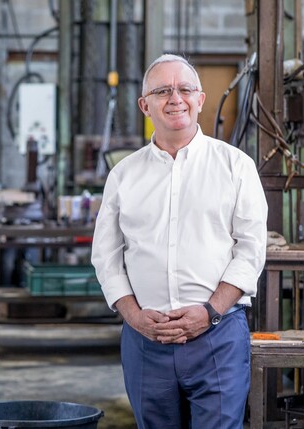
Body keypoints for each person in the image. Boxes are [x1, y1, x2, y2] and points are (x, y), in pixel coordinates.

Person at [91, 54, 267, 428]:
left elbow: (251, 250)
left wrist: (210, 311)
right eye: (162, 91)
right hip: (145, 341)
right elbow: (106, 257)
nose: (176, 98)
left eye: (185, 89)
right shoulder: (124, 175)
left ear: (200, 99)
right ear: (145, 105)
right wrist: (134, 316)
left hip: (218, 337)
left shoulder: (235, 166)